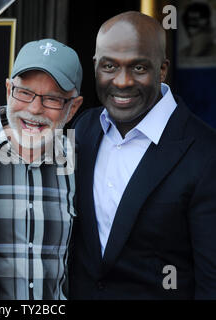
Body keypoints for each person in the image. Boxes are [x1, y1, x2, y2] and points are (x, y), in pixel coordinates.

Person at [69, 11, 216, 299]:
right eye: (109, 66)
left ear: (162, 70)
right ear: (95, 65)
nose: (122, 82)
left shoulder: (206, 154)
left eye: (138, 68)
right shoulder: (82, 129)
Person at [0, 38, 83, 299]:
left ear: (73, 107)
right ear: (8, 90)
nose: (35, 108)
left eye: (53, 99)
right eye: (24, 93)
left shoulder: (77, 161)